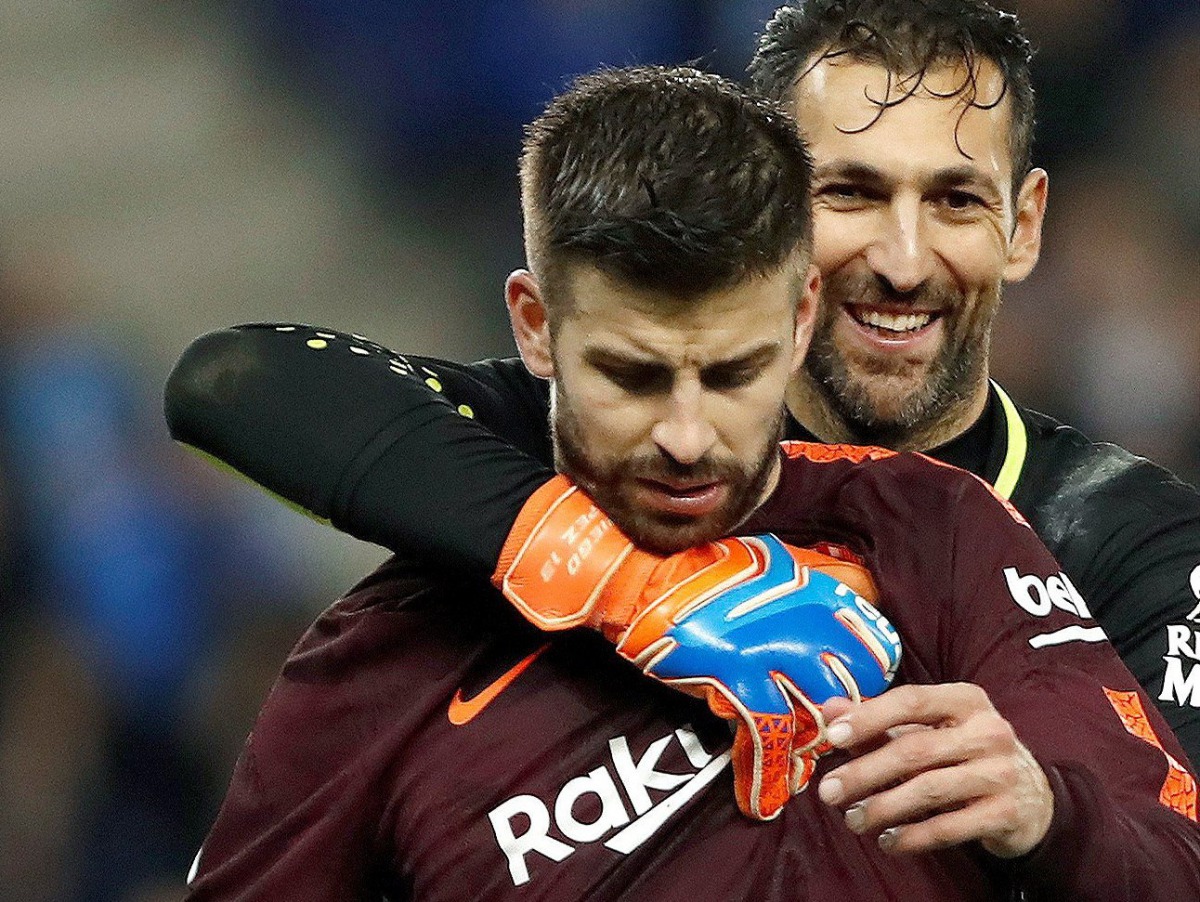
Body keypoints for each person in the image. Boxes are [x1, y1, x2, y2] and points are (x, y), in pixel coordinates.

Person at [181, 65, 1200, 901]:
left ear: (803, 317)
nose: (683, 434)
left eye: (734, 372)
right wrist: (628, 584)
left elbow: (1174, 858)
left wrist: (1048, 811)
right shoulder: (382, 664)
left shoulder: (931, 527)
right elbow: (230, 375)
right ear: (535, 327)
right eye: (629, 375)